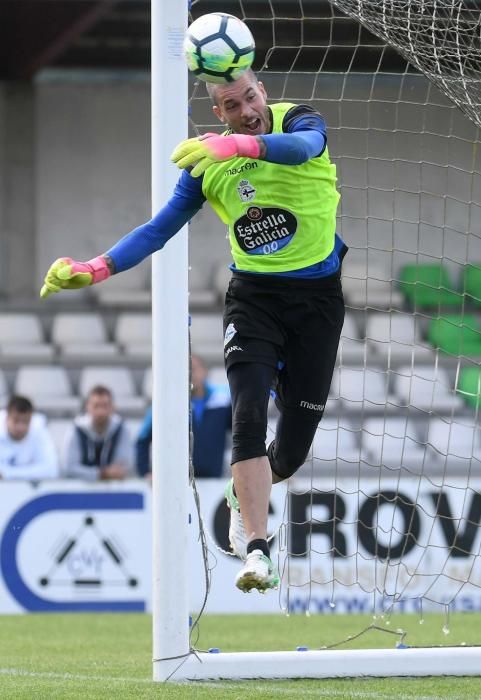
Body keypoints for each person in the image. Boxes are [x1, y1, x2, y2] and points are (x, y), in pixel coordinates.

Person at [40, 67, 346, 593]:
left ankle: (238, 492)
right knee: (246, 410)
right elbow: (158, 229)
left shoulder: (298, 120)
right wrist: (95, 268)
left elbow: (303, 148)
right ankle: (257, 550)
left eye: (250, 96)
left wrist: (241, 148)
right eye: (232, 104)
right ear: (217, 113)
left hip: (317, 304)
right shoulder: (206, 166)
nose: (246, 108)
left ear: (263, 92)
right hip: (254, 299)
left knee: (290, 454)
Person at [136, 354, 231, 479]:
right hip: (176, 482)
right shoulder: (166, 402)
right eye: (185, 369)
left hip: (213, 479)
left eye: (194, 368)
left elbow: (239, 431)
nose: (190, 374)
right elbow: (143, 438)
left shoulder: (222, 400)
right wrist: (145, 472)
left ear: (205, 371)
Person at [62, 384, 134, 481]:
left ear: (112, 407)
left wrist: (107, 473)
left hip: (114, 491)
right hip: (80, 491)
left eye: (105, 406)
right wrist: (102, 474)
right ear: (88, 407)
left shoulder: (121, 429)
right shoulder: (76, 429)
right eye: (96, 406)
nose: (100, 412)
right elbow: (69, 468)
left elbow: (124, 467)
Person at [0, 395, 58, 480]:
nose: (20, 427)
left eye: (25, 421)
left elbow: (51, 470)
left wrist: (7, 474)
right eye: (16, 421)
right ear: (6, 418)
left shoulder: (39, 431)